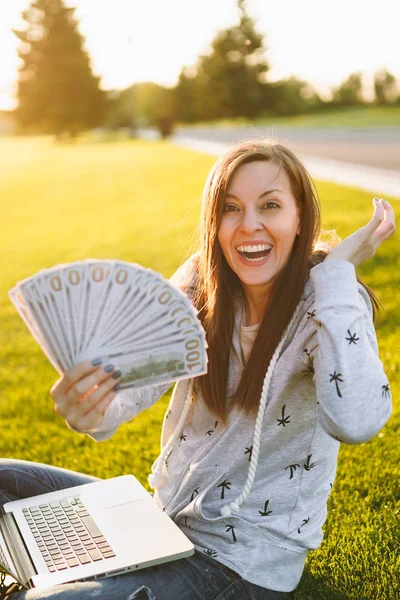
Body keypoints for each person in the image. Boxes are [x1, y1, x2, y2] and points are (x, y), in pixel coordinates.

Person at [0, 140, 395, 600]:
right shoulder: (200, 283)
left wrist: (338, 274)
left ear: (301, 217)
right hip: (159, 522)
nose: (250, 225)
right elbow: (126, 395)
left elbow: (358, 419)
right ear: (215, 221)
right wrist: (89, 410)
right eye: (231, 208)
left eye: (270, 205)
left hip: (240, 564)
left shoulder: (329, 304)